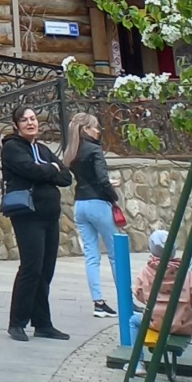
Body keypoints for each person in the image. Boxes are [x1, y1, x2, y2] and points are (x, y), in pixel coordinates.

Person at [0, 103, 73, 340]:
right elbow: (30, 170)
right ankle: (17, 322)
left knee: (46, 270)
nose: (31, 123)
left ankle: (42, 323)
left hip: (49, 216)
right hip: (28, 216)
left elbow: (66, 177)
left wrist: (48, 168)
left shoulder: (42, 149)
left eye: (33, 119)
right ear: (16, 125)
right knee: (31, 267)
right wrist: (49, 169)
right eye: (25, 120)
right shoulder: (12, 148)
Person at [64, 109, 120, 315]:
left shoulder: (73, 150)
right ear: (86, 128)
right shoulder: (94, 150)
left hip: (80, 204)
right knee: (116, 254)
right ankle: (126, 300)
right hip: (98, 202)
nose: (98, 131)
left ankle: (98, 302)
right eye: (96, 127)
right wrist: (113, 196)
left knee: (91, 256)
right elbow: (102, 180)